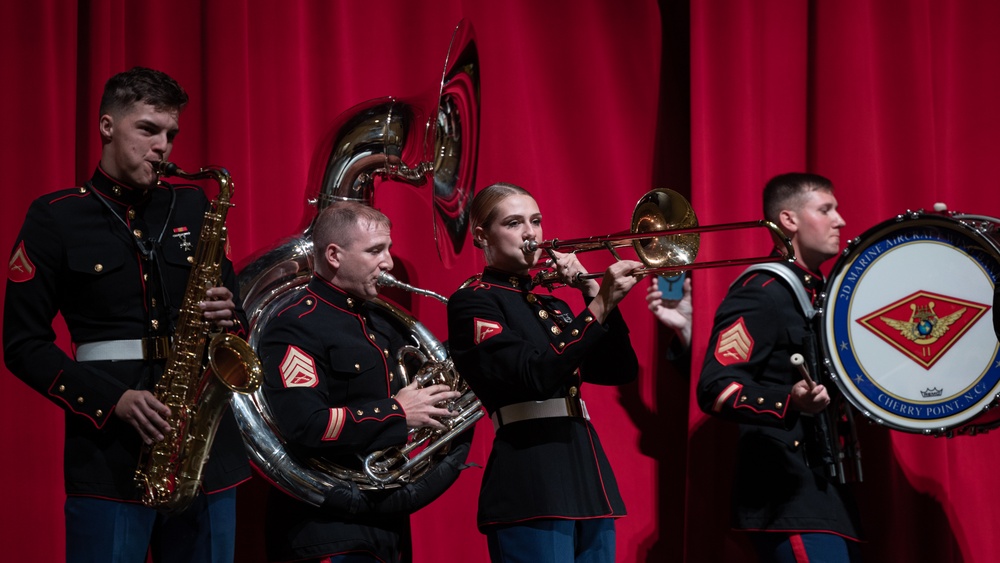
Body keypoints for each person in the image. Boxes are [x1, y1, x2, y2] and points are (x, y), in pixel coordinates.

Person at [3, 67, 251, 562]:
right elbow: (21, 345)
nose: (163, 146)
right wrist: (112, 401)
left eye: (171, 134)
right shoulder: (55, 217)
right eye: (148, 129)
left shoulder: (193, 206)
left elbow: (235, 315)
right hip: (110, 452)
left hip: (205, 456)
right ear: (107, 126)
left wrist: (232, 313)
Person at [257, 201, 472, 563]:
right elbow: (307, 425)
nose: (388, 262)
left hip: (387, 523)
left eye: (388, 249)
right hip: (325, 532)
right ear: (334, 255)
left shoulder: (384, 324)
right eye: (375, 251)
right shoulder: (295, 324)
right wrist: (397, 411)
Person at [447, 182, 643, 563]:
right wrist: (599, 306)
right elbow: (534, 377)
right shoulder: (474, 300)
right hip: (531, 480)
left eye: (535, 221)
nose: (531, 234)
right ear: (481, 234)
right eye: (514, 223)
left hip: (587, 475)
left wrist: (590, 290)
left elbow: (618, 369)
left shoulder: (552, 304)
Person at [697, 172, 862, 562]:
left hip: (828, 494)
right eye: (826, 209)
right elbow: (715, 387)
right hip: (788, 496)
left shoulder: (826, 294)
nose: (840, 221)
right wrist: (788, 400)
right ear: (788, 220)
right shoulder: (761, 292)